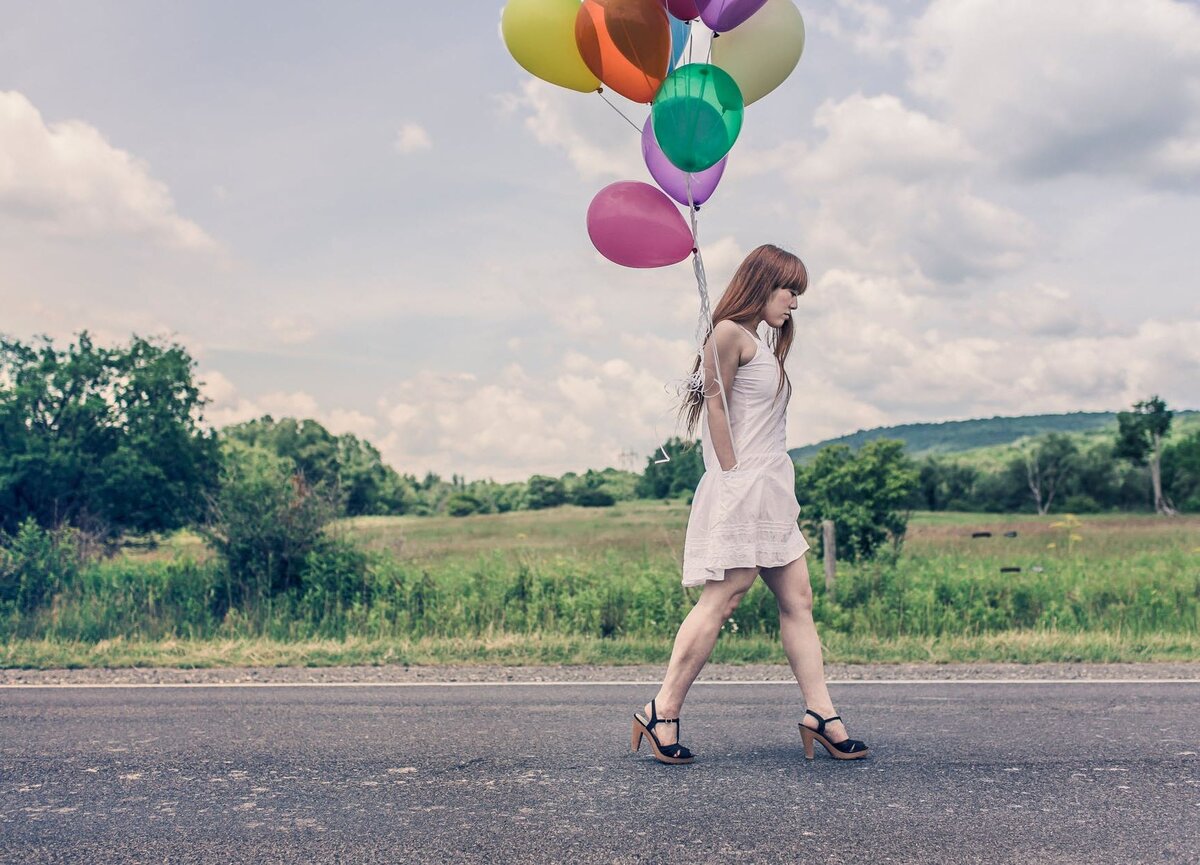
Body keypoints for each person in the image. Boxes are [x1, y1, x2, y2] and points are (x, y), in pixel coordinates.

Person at [630, 244, 870, 764]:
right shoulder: (728, 335)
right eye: (790, 290)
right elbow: (716, 407)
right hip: (741, 486)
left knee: (799, 599)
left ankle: (821, 715)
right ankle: (661, 709)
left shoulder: (761, 344)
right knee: (725, 597)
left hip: (773, 491)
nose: (794, 304)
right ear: (762, 283)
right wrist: (733, 476)